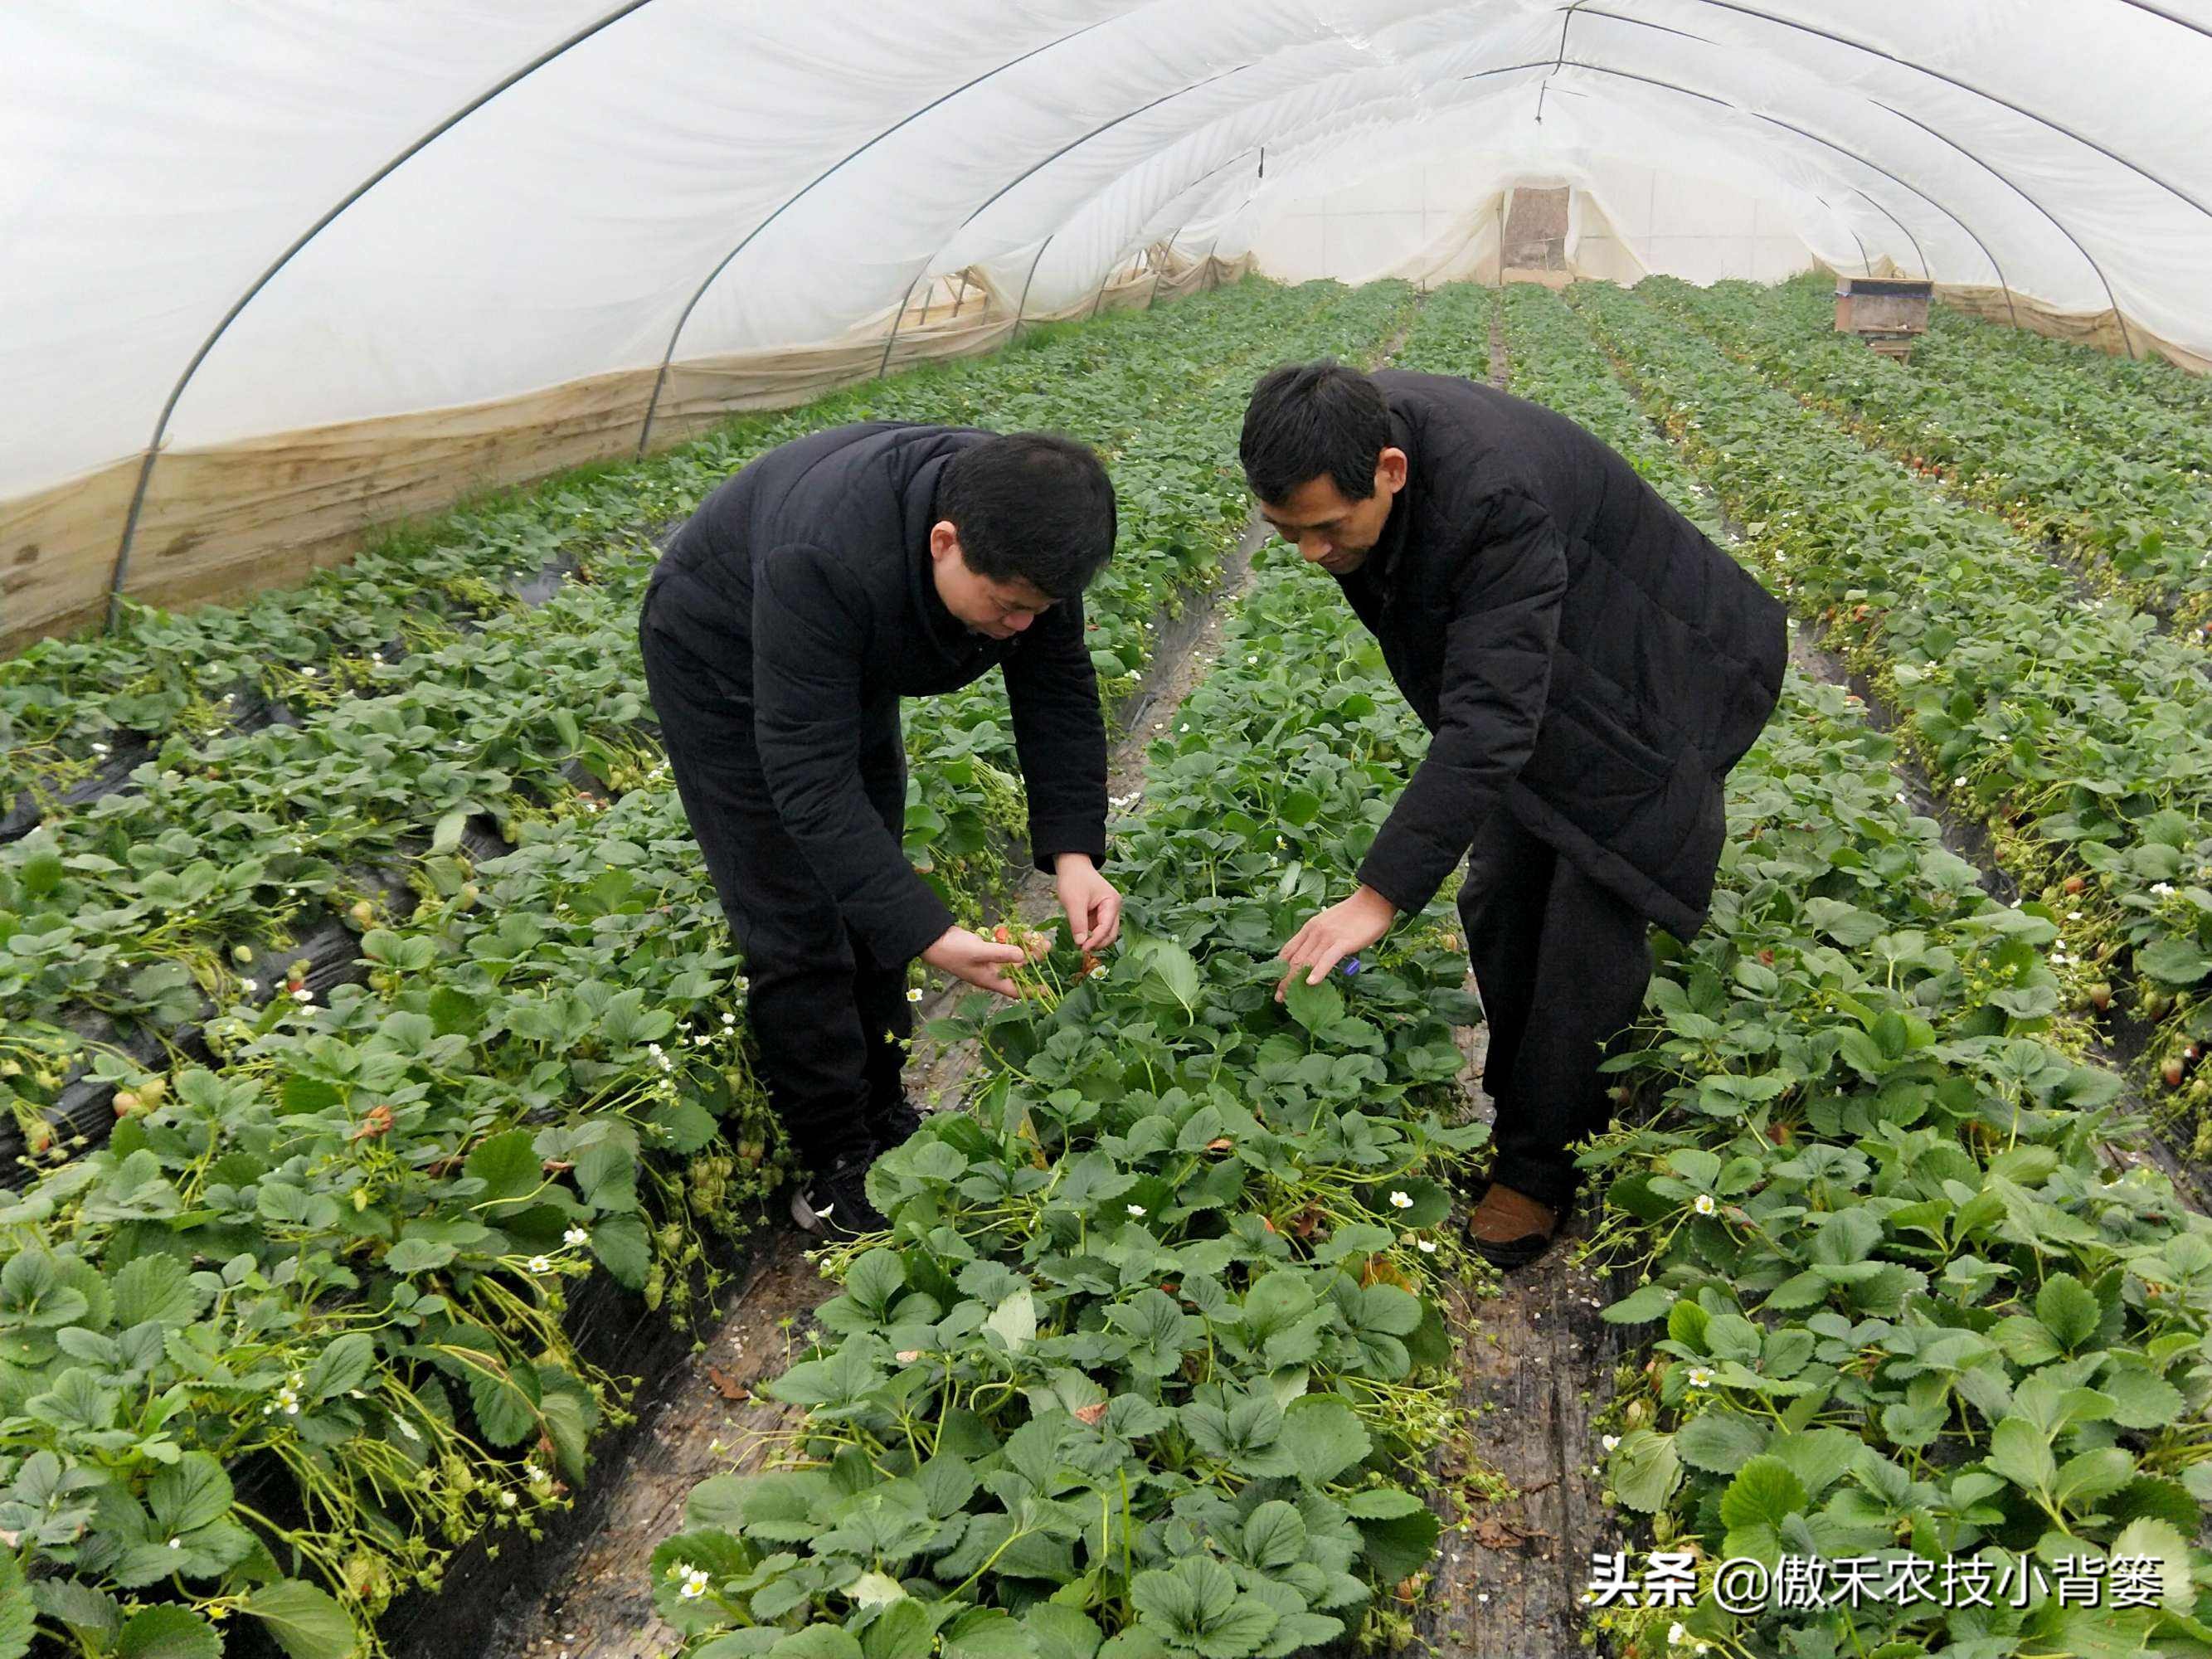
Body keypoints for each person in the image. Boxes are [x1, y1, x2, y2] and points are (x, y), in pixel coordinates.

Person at [1242, 360, 1785, 1268]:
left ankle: (1541, 1167)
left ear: (1390, 471)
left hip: (1664, 674)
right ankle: (1519, 1104)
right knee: (1500, 890)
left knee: (1587, 914)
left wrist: (1376, 895)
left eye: (1327, 528)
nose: (1310, 551)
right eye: (1284, 530)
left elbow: (1489, 721)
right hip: (1565, 664)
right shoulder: (1354, 443)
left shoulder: (1487, 497)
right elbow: (1484, 691)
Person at [639, 424, 1125, 1238]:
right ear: (946, 541)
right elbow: (809, 781)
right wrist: (932, 932)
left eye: (1037, 608)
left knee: (872, 870)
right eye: (1007, 606)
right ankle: (833, 1160)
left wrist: (1073, 853)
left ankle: (882, 1106)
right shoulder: (825, 553)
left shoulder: (1031, 527)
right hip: (720, 657)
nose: (1018, 626)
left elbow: (1059, 686)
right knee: (795, 908)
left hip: (842, 650)